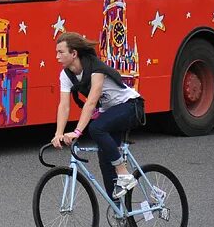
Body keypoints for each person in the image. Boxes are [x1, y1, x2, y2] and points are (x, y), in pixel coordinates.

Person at [51, 32, 144, 199]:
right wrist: (58, 133)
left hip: (130, 106)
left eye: (61, 52)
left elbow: (91, 102)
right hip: (110, 111)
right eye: (56, 52)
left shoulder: (96, 68)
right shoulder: (66, 74)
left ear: (74, 54)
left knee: (96, 128)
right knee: (105, 160)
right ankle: (118, 209)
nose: (57, 56)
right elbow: (64, 106)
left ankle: (124, 173)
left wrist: (77, 132)